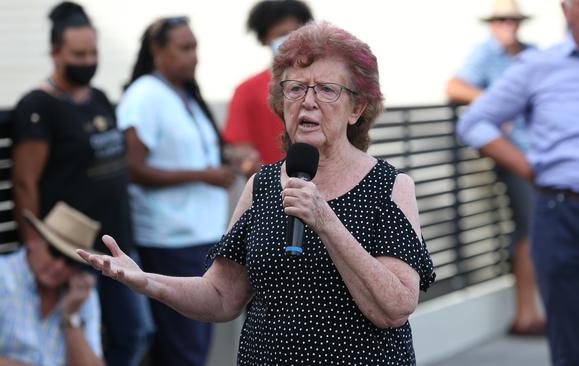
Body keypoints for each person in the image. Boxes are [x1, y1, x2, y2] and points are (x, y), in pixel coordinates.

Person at [81, 21, 435, 366]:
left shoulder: (388, 185)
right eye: (295, 88)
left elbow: (395, 308)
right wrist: (148, 282)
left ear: (356, 108)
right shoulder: (262, 186)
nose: (308, 102)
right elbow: (221, 297)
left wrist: (326, 222)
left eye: (327, 89)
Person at [456, 0, 579, 364]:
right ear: (566, 10)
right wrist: (528, 167)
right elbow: (474, 122)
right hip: (560, 216)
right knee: (569, 351)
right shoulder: (538, 65)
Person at [9, 2, 154, 366]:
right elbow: (24, 182)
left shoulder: (99, 99)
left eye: (93, 53)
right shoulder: (39, 106)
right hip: (70, 249)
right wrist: (36, 245)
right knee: (109, 331)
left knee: (134, 332)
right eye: (78, 54)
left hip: (117, 242)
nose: (87, 60)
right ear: (55, 52)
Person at [116, 16, 237, 366]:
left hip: (203, 237)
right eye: (184, 48)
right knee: (182, 351)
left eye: (195, 46)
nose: (194, 56)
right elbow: (132, 168)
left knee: (195, 346)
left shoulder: (184, 95)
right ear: (157, 51)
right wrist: (202, 175)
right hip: (170, 241)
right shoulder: (144, 96)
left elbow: (191, 151)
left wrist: (230, 157)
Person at [445, 0, 545, 336]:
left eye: (513, 20)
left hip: (545, 154)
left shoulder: (532, 53)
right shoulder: (485, 54)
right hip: (514, 156)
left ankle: (550, 311)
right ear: (492, 23)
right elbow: (454, 87)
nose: (508, 25)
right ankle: (526, 315)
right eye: (502, 20)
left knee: (550, 232)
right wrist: (495, 105)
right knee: (529, 230)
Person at [0, 202, 103, 366]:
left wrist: (71, 316)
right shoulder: (3, 275)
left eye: (70, 261)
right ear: (34, 239)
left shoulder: (82, 293)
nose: (58, 267)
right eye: (54, 252)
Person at [222, 0, 313, 166]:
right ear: (264, 38)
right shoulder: (246, 90)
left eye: (295, 32)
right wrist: (266, 181)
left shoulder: (324, 83)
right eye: (281, 34)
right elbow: (242, 151)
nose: (289, 39)